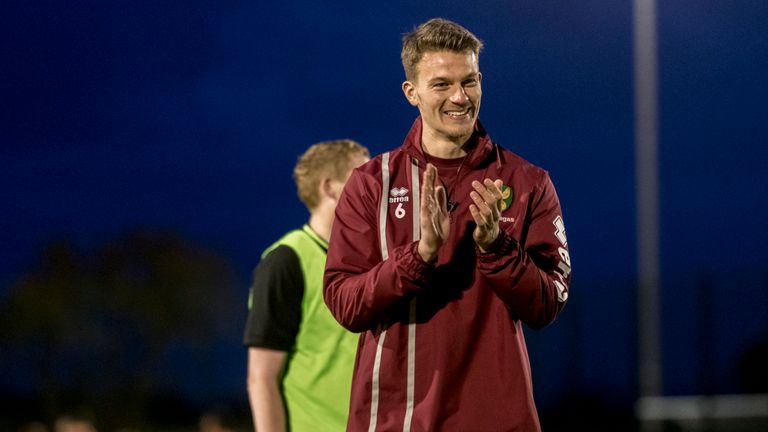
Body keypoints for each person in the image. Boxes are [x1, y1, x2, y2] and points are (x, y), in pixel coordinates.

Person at [323, 18, 572, 431]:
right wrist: (419, 255)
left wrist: (496, 249)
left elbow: (548, 303)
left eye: (469, 82)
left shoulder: (528, 182)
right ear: (411, 92)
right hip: (395, 421)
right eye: (441, 84)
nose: (459, 97)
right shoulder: (371, 183)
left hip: (497, 420)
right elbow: (346, 304)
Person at [243, 139, 370, 432]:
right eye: (362, 177)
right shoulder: (286, 260)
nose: (375, 186)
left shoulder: (373, 259)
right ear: (329, 187)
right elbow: (261, 377)